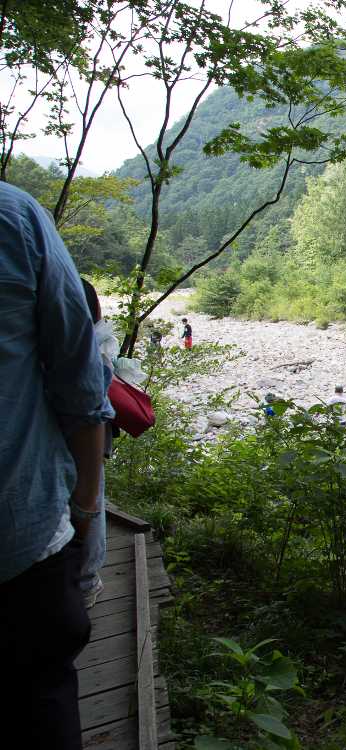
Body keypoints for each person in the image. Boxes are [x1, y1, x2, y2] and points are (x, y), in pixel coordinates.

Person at [0, 181, 114, 748]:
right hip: (21, 536)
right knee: (40, 699)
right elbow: (81, 377)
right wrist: (87, 508)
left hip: (23, 532)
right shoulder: (15, 216)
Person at [78, 279, 117, 609]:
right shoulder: (101, 339)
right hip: (99, 430)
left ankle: (86, 580)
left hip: (90, 431)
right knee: (93, 495)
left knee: (92, 497)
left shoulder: (84, 345)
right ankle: (86, 579)